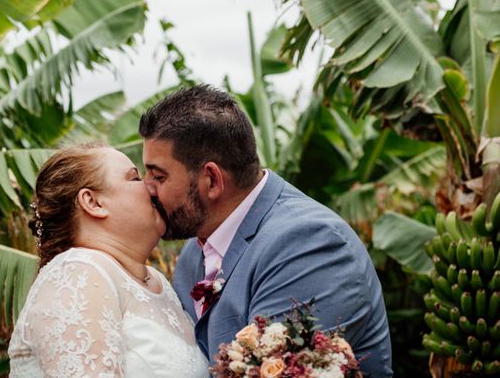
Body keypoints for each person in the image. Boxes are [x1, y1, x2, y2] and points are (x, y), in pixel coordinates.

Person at [139, 84, 393, 377]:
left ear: (211, 180)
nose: (147, 187)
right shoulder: (192, 254)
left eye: (158, 175)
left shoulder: (309, 244)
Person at [8, 144, 209, 378]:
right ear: (93, 203)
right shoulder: (78, 272)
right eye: (134, 178)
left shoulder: (158, 282)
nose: (152, 187)